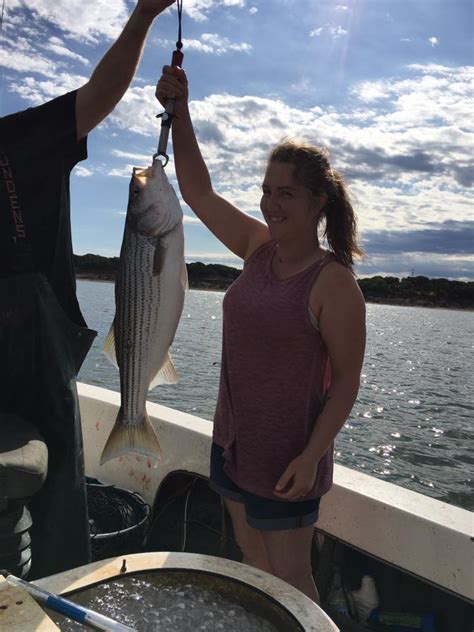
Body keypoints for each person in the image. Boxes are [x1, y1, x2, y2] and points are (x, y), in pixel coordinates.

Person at [156, 65, 366, 603]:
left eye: (287, 194)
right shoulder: (256, 248)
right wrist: (179, 112)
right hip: (232, 446)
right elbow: (198, 191)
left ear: (319, 202)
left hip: (288, 459)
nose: (270, 204)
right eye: (266, 191)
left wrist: (312, 455)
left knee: (293, 580)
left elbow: (344, 383)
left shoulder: (334, 284)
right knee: (251, 561)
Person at [0, 0, 176, 579]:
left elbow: (98, 94)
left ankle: (52, 601)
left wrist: (146, 14)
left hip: (39, 355)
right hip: (30, 355)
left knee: (59, 515)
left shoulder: (21, 137)